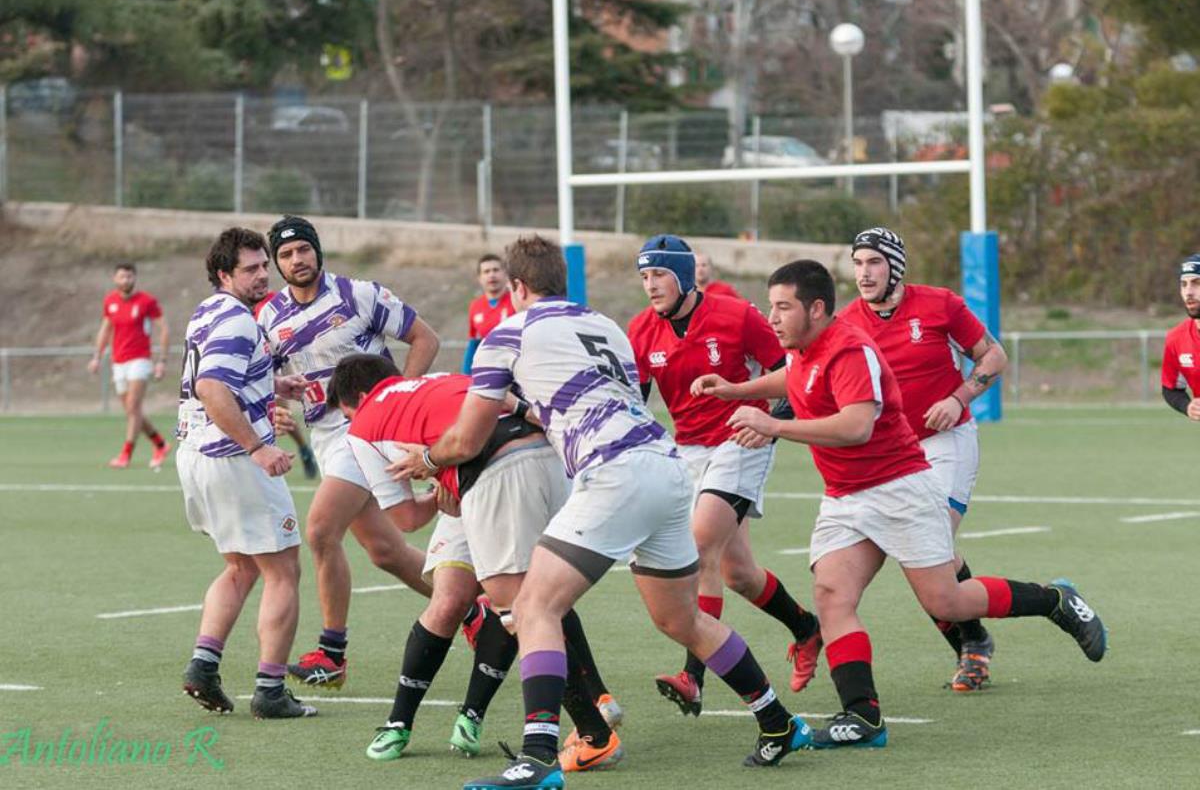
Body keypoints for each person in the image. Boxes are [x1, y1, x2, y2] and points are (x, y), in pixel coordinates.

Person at [389, 235, 811, 789]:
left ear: (515, 287)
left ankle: (538, 759)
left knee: (532, 605)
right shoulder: (606, 324)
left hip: (614, 474)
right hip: (665, 465)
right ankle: (778, 722)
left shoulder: (506, 334)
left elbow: (467, 439)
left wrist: (426, 457)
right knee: (680, 619)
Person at [694, 259, 1107, 749]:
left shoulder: (848, 348)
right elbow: (795, 380)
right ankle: (863, 717)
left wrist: (775, 426)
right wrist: (737, 389)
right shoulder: (807, 348)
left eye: (783, 307)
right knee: (831, 596)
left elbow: (855, 426)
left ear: (817, 309)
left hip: (899, 488)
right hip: (845, 496)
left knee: (945, 600)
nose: (773, 318)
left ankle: (1053, 599)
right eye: (771, 307)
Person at [324, 355, 623, 770]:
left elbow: (405, 519)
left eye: (344, 413)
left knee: (524, 609)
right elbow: (508, 401)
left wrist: (432, 476)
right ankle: (401, 722)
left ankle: (592, 734)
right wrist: (441, 476)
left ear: (358, 398)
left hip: (494, 475)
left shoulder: (363, 427)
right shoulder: (440, 380)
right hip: (547, 461)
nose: (346, 421)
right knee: (494, 599)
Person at [627, 234, 820, 715]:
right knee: (739, 573)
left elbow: (791, 370)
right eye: (644, 276)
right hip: (687, 451)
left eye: (660, 275)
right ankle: (806, 628)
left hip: (742, 439)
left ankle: (693, 676)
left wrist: (771, 426)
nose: (651, 286)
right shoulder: (640, 330)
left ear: (684, 277)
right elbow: (633, 402)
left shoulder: (735, 315)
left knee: (700, 545)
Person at [256, 215, 445, 689]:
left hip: (367, 429)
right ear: (277, 263)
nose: (296, 260)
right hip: (327, 436)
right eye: (285, 254)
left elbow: (426, 338)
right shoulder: (269, 319)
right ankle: (476, 609)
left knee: (320, 531)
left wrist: (400, 398)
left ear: (318, 251)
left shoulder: (359, 295)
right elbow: (273, 380)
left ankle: (332, 652)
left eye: (303, 250)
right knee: (385, 550)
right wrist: (278, 411)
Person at [837, 227, 1009, 692]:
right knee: (927, 555)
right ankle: (972, 644)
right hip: (895, 453)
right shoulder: (847, 322)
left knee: (928, 542)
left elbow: (994, 354)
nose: (864, 273)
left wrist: (959, 397)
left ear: (895, 266)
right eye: (857, 263)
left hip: (947, 440)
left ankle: (976, 646)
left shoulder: (940, 304)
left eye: (873, 262)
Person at [177, 227, 317, 720]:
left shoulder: (209, 308)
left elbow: (221, 375)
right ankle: (272, 691)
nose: (264, 275)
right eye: (252, 269)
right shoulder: (237, 319)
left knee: (241, 567)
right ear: (224, 274)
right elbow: (212, 385)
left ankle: (203, 666)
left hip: (196, 455)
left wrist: (271, 382)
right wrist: (257, 447)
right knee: (284, 570)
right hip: (233, 458)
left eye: (264, 265)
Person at [88, 263, 171, 469]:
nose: (126, 280)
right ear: (115, 279)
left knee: (134, 406)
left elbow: (164, 330)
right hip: (119, 362)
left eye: (129, 276)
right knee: (132, 411)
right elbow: (105, 330)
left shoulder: (146, 301)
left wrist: (162, 361)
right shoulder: (110, 301)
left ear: (135, 278)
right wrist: (97, 357)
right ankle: (160, 444)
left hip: (140, 360)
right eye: (122, 277)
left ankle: (126, 454)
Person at [254, 290, 319, 479]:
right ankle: (265, 452)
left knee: (280, 411)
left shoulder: (274, 302)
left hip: (274, 364)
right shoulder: (237, 307)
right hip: (255, 366)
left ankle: (303, 448)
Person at [1161, 255, 1200, 420]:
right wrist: (1187, 407)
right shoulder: (1176, 339)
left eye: (1197, 283)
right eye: (1184, 284)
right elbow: (1171, 388)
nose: (1188, 292)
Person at [463, 254, 517, 372]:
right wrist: (465, 375)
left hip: (515, 368)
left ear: (505, 274)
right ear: (480, 278)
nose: (491, 275)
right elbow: (473, 344)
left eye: (496, 270)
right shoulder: (475, 306)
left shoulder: (517, 301)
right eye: (486, 272)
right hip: (489, 370)